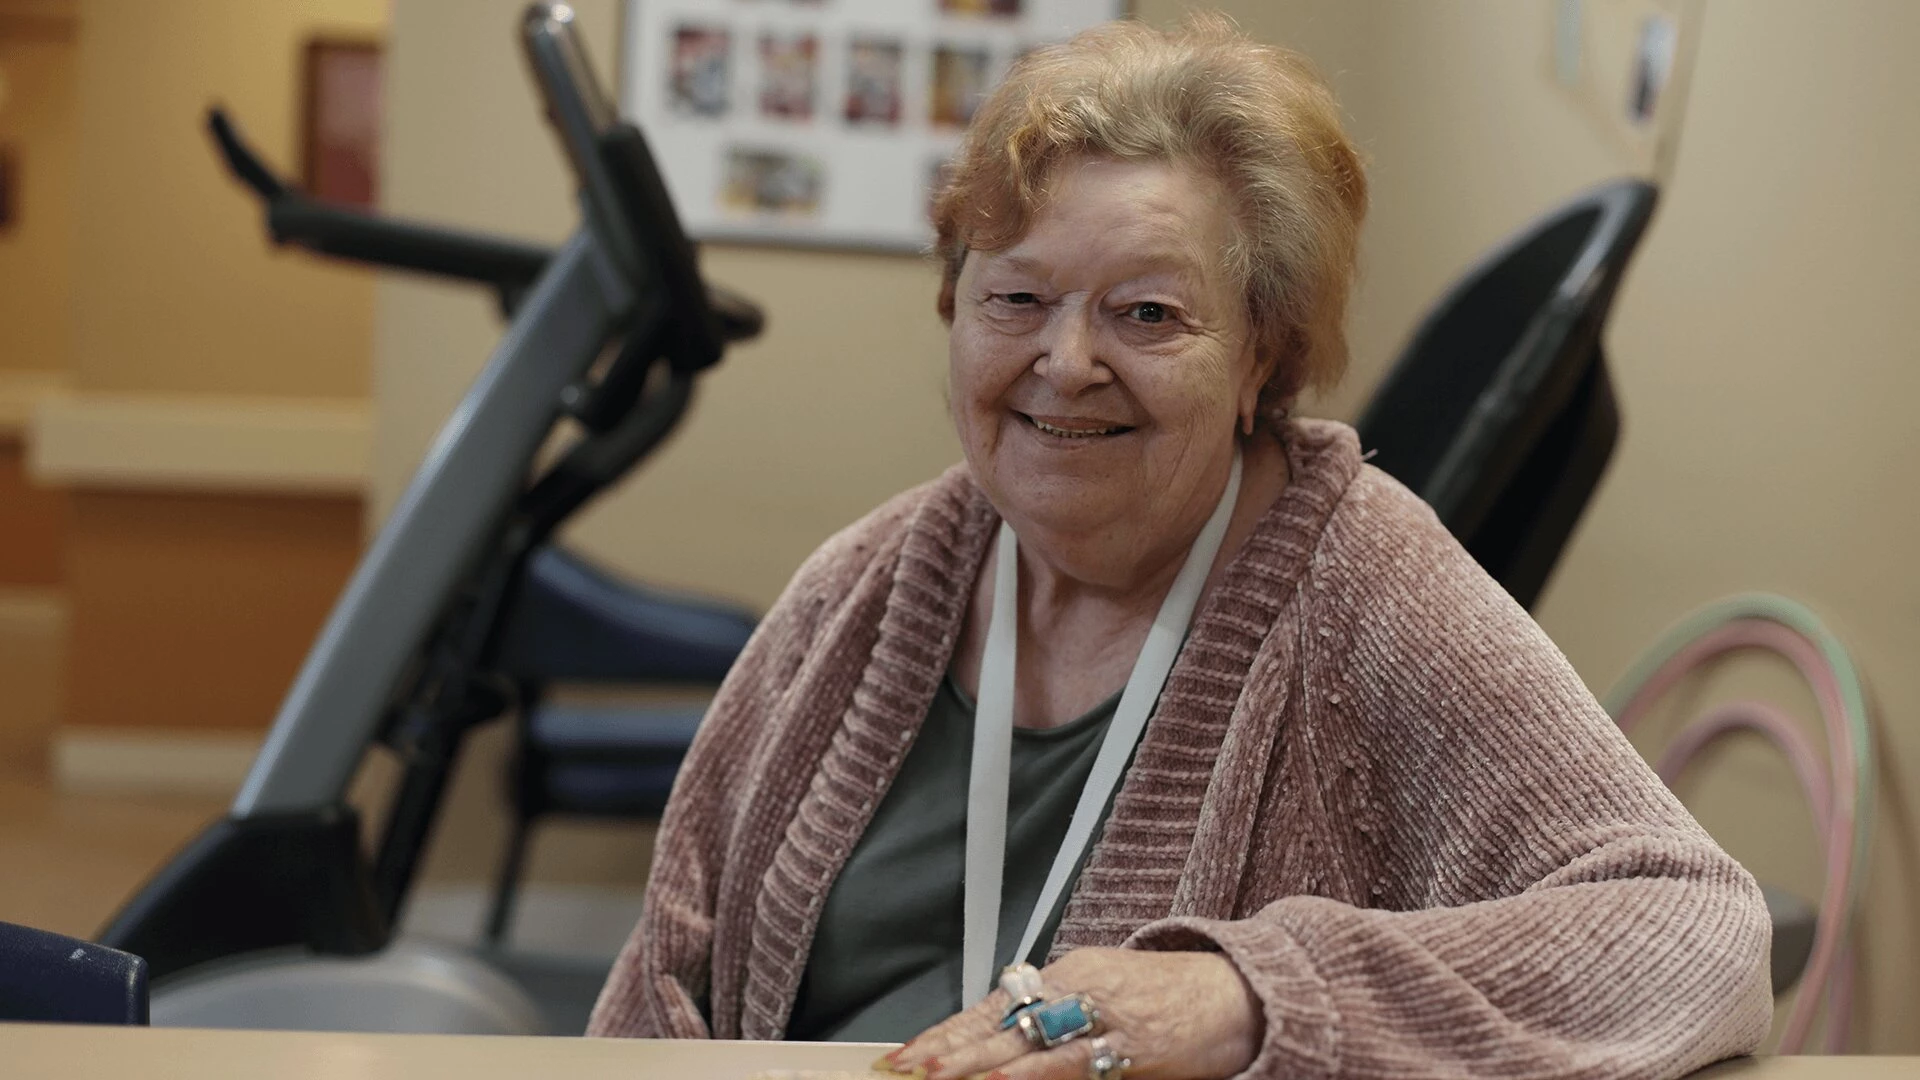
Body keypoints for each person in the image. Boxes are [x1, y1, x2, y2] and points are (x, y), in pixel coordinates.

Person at [588, 15, 1772, 1080]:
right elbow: (661, 987)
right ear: (956, 308)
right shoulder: (868, 584)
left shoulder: (1362, 585)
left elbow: (1693, 928)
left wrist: (1249, 997)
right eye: (1016, 300)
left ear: (1263, 351)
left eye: (1147, 313)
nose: (1066, 363)